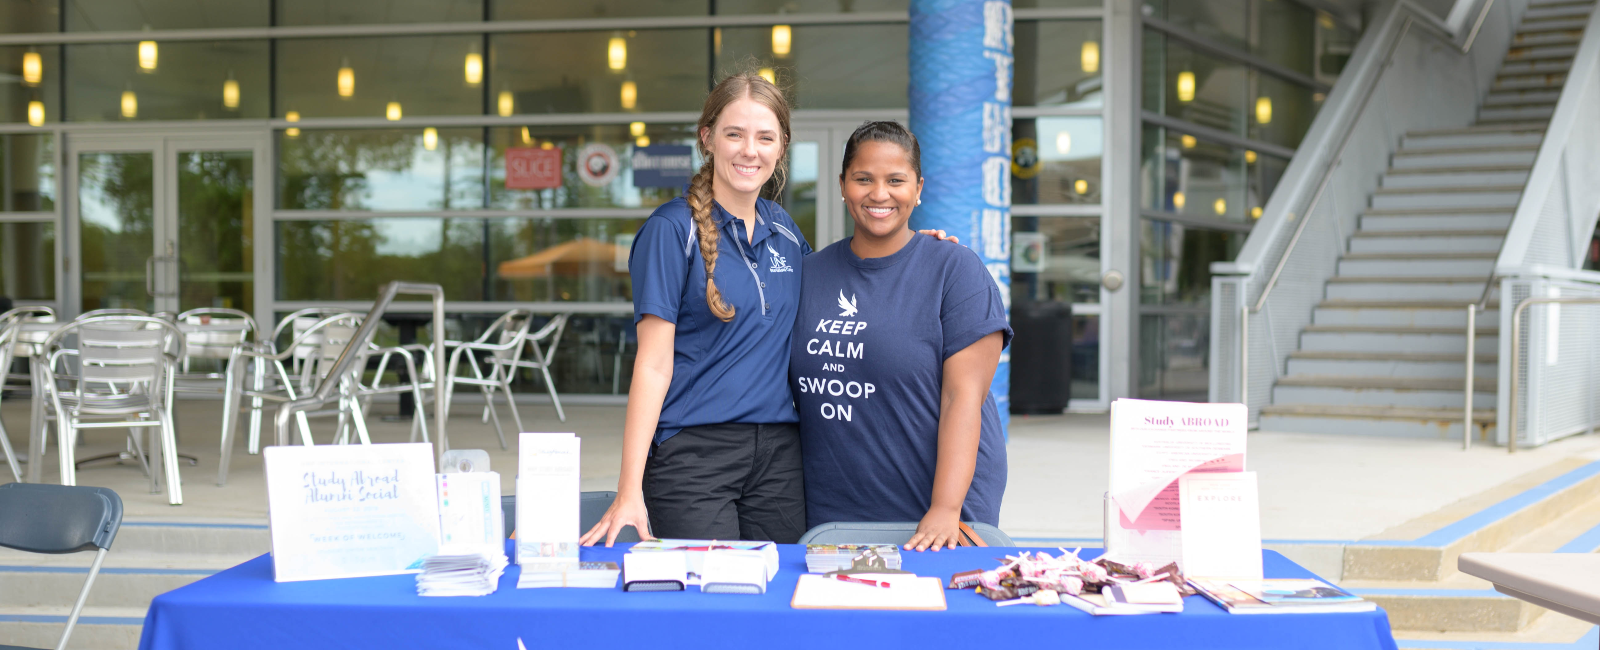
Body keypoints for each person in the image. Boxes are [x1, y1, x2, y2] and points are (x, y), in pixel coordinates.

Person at [580, 72, 811, 546]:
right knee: (709, 602)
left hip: (779, 457)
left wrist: (916, 252)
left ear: (781, 146)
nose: (751, 150)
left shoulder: (785, 229)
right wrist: (629, 488)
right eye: (734, 134)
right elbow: (653, 364)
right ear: (707, 138)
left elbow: (845, 284)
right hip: (692, 456)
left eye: (765, 137)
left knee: (775, 599)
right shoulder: (671, 229)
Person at [789, 121, 1011, 552]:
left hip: (936, 510)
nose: (879, 194)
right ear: (842, 184)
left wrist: (945, 508)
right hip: (832, 507)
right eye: (863, 179)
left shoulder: (956, 271)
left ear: (918, 188)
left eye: (896, 180)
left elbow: (962, 399)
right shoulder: (809, 273)